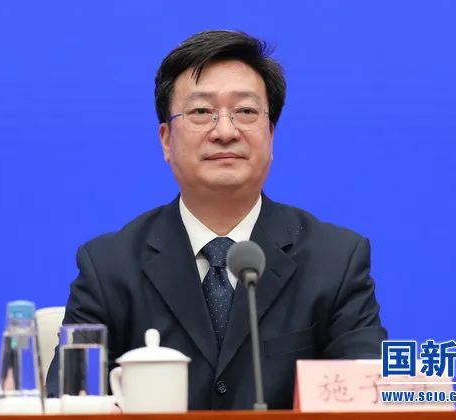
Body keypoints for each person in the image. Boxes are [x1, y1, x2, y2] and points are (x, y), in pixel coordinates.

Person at [46, 30, 387, 409]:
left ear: (270, 134)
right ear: (166, 139)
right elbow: (68, 403)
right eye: (201, 112)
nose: (225, 131)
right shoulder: (108, 267)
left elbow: (369, 398)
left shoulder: (336, 261)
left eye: (245, 112)